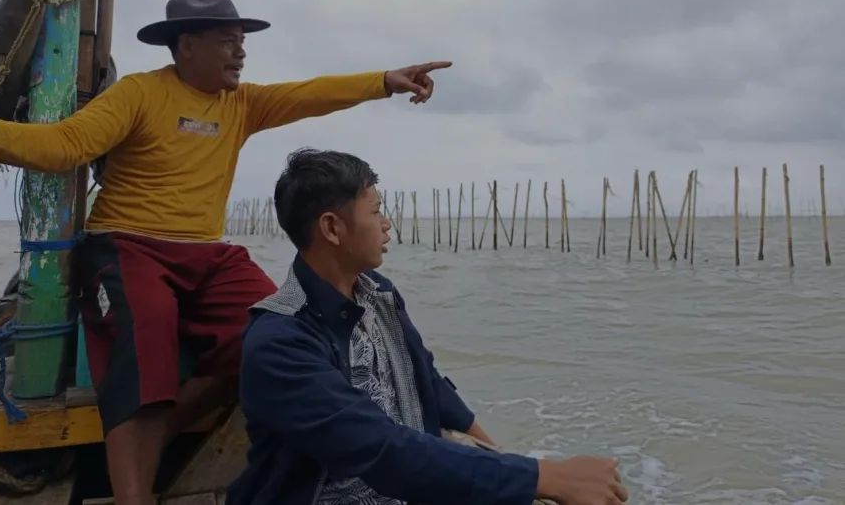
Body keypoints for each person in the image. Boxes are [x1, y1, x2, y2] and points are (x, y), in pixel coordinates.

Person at [0, 0, 452, 505]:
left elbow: (309, 93)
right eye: (228, 42)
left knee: (276, 333)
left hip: (208, 254)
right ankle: (133, 497)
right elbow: (65, 145)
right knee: (144, 350)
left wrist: (385, 82)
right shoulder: (139, 94)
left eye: (242, 42)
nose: (241, 52)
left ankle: (154, 444)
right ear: (187, 45)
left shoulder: (242, 104)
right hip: (126, 246)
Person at [229, 148, 629, 505]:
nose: (387, 225)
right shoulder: (280, 341)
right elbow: (379, 449)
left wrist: (505, 460)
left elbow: (428, 381)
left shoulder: (377, 294)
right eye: (376, 211)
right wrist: (545, 476)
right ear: (332, 228)